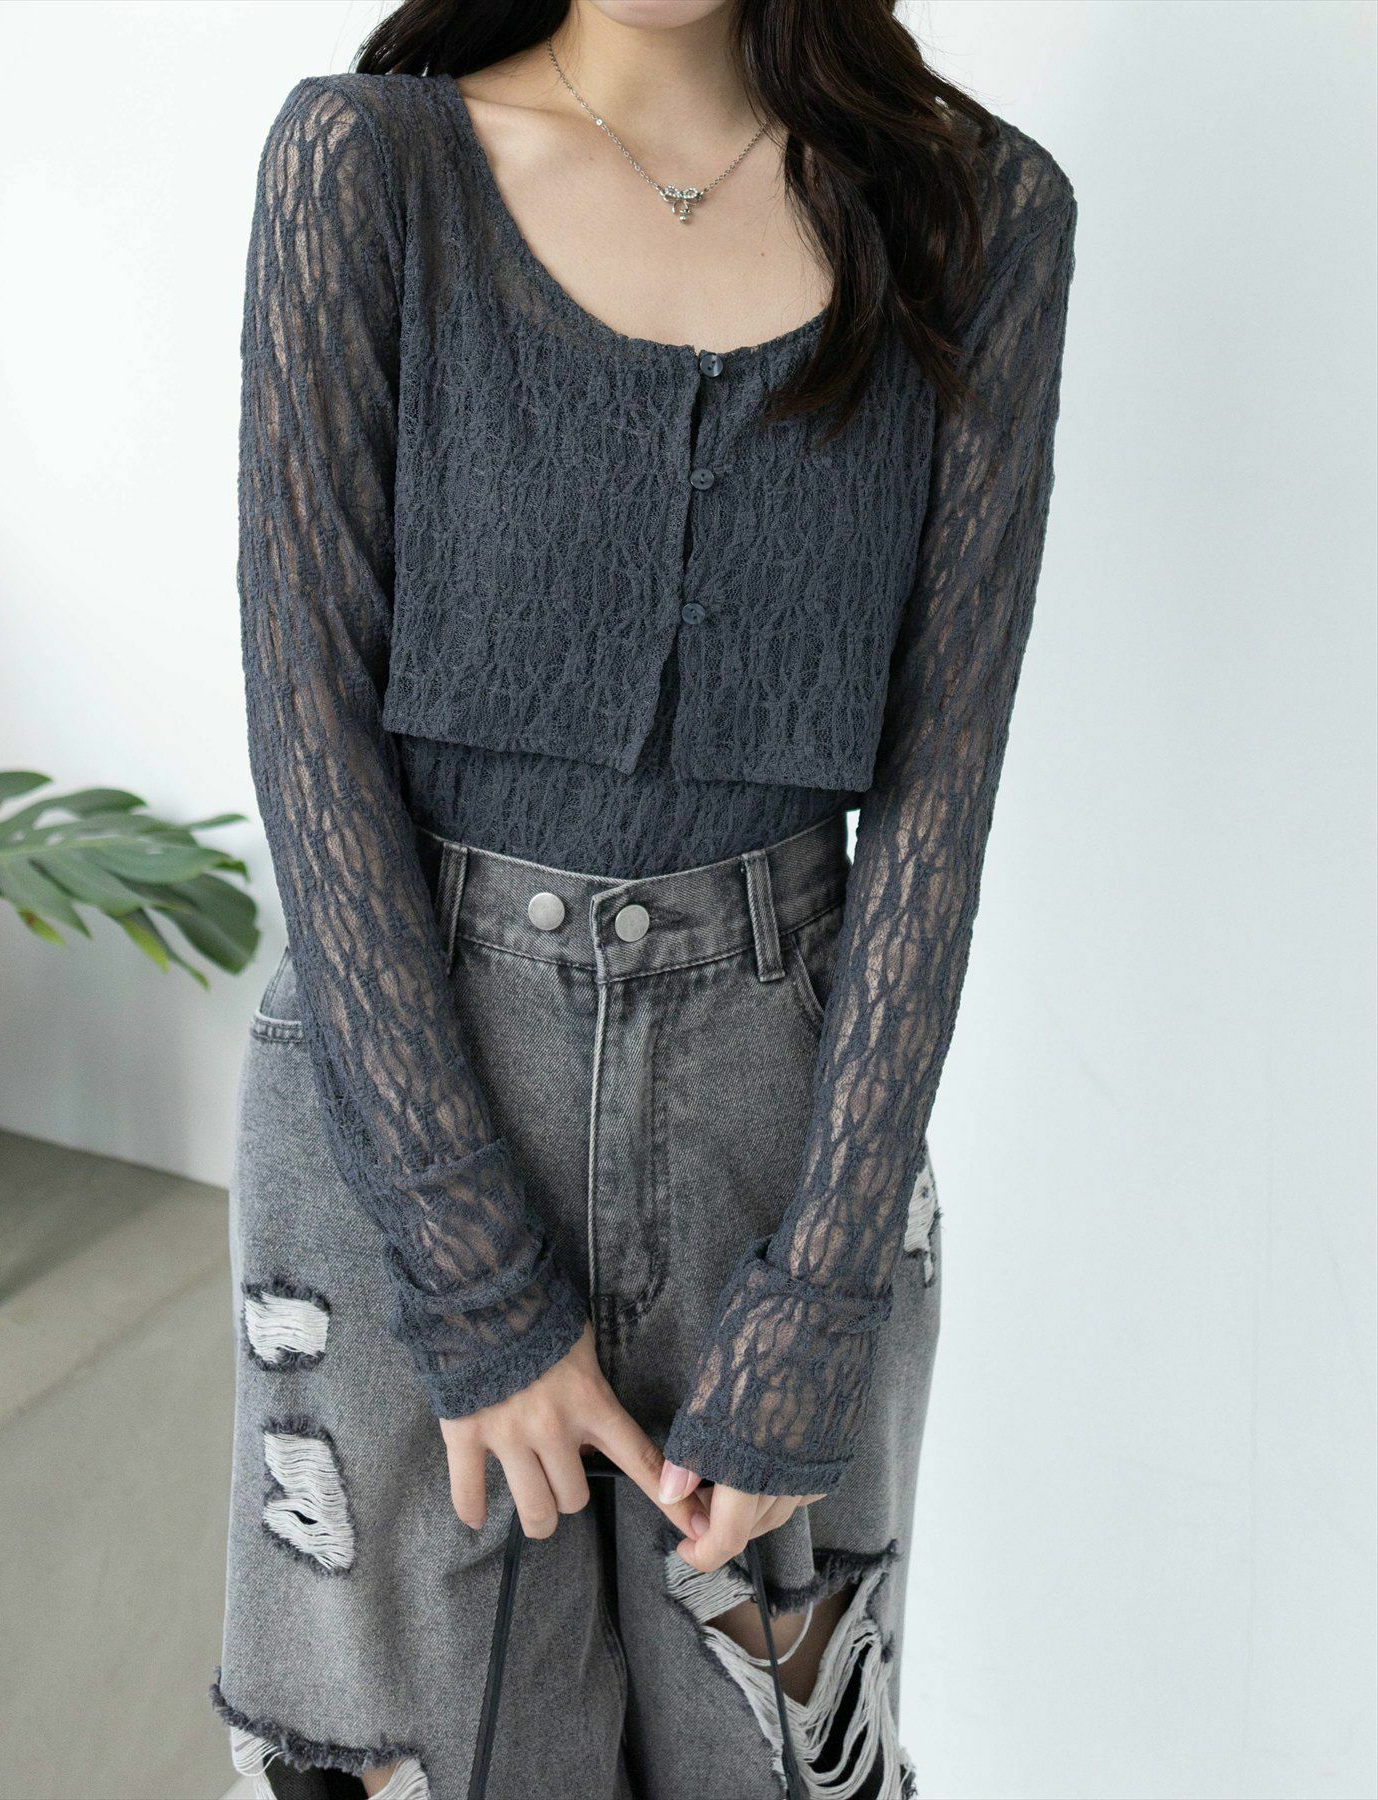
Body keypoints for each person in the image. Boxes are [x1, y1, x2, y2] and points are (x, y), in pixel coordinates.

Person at [211, 2, 1078, 1795]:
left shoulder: (976, 216)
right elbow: (308, 729)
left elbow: (940, 796)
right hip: (405, 1100)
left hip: (786, 1133)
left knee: (778, 1755)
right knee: (418, 1765)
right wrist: (472, 1276)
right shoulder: (366, 169)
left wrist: (822, 1294)